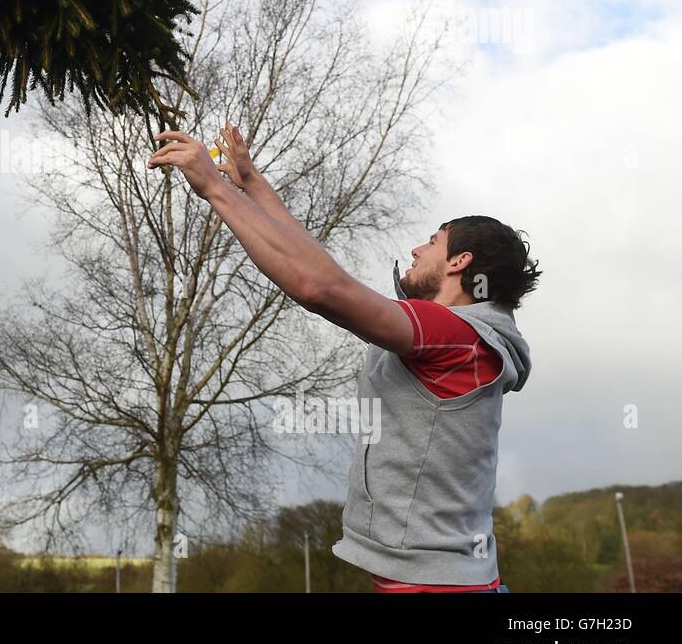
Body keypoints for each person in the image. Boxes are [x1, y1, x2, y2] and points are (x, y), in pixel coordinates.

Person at [148, 123, 541, 593]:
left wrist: (214, 187)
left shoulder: (456, 337)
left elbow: (320, 288)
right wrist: (250, 182)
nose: (416, 249)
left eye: (432, 242)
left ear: (459, 262)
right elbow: (321, 269)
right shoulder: (450, 334)